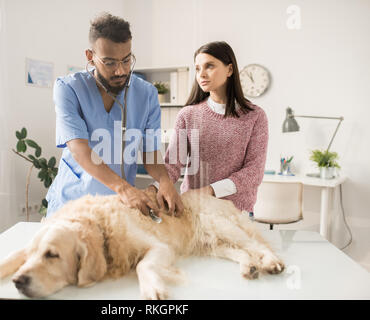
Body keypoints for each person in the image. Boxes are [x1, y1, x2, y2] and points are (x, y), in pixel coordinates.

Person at [45, 13, 184, 218]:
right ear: (90, 56)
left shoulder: (146, 94)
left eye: (126, 60)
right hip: (72, 204)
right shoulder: (69, 88)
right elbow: (79, 150)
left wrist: (164, 181)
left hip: (118, 209)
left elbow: (150, 152)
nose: (120, 70)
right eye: (110, 63)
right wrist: (125, 189)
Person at [153, 41, 268, 215]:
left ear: (229, 70)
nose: (202, 74)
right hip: (194, 211)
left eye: (209, 66)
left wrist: (209, 190)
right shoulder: (188, 115)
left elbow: (254, 172)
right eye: (198, 69)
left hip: (236, 214)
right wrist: (154, 188)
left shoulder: (255, 116)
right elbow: (172, 165)